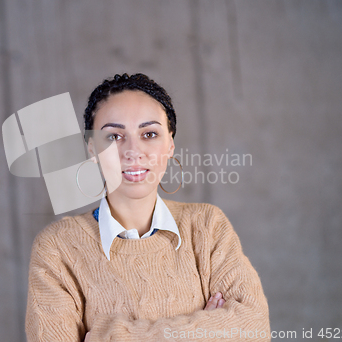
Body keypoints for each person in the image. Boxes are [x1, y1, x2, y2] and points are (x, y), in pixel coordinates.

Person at [25, 73, 270, 341]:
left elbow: (254, 328)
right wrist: (205, 331)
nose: (133, 151)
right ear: (92, 149)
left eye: (150, 134)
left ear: (171, 144)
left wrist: (109, 335)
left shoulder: (207, 226)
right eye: (114, 137)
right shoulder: (57, 248)